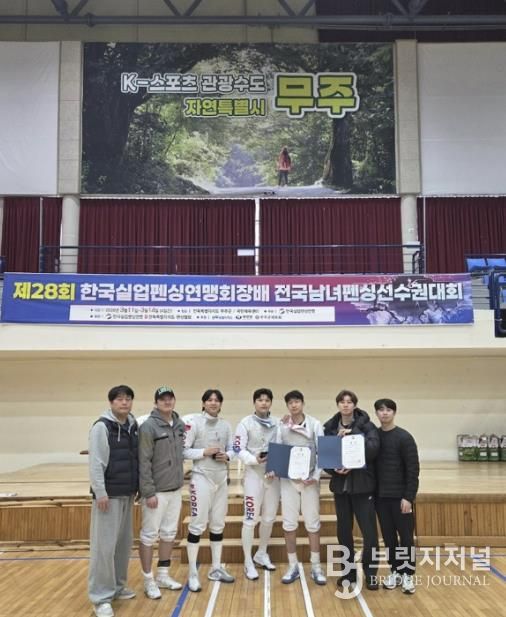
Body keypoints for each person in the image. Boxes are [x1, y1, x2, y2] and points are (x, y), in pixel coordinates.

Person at [88, 385, 139, 617]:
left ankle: (117, 587)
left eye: (128, 399)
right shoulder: (102, 427)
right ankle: (100, 597)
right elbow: (96, 463)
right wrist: (100, 492)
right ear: (111, 403)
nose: (124, 402)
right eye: (119, 399)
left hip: (127, 493)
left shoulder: (133, 426)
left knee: (122, 545)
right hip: (108, 496)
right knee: (104, 548)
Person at [323, 389, 380, 591]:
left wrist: (353, 435)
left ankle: (371, 574)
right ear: (338, 405)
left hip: (363, 488)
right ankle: (348, 573)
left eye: (349, 401)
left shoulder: (366, 425)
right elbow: (326, 457)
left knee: (369, 533)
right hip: (341, 489)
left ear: (355, 405)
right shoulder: (330, 427)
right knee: (344, 534)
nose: (346, 404)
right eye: (342, 401)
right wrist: (334, 469)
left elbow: (373, 450)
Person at [183, 389, 235, 592]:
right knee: (197, 525)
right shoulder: (194, 423)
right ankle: (192, 574)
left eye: (217, 400)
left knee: (218, 524)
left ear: (221, 404)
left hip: (220, 479)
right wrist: (204, 452)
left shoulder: (226, 425)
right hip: (201, 478)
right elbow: (184, 450)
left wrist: (227, 456)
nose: (213, 403)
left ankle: (216, 568)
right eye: (209, 400)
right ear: (203, 403)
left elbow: (233, 449)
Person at [138, 386, 185, 599]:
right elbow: (143, 461)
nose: (167, 402)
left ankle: (163, 575)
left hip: (175, 490)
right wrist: (148, 492)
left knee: (168, 534)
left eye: (170, 398)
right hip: (156, 492)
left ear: (174, 400)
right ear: (156, 402)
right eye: (162, 399)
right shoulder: (148, 427)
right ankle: (148, 580)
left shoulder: (179, 424)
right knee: (149, 536)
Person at [275, 390, 326, 585]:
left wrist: (315, 476)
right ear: (287, 406)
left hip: (309, 482)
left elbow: (321, 453)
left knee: (313, 524)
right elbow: (279, 451)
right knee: (289, 524)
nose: (294, 405)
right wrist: (276, 470)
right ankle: (293, 565)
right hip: (289, 482)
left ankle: (316, 566)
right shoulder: (282, 426)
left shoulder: (315, 424)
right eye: (290, 403)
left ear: (303, 403)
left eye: (297, 402)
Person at [234, 388, 280, 580]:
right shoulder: (245, 423)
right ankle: (248, 561)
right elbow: (238, 448)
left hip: (273, 477)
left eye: (267, 400)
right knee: (250, 519)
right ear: (254, 402)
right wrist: (254, 459)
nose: (263, 403)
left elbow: (282, 446)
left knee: (269, 518)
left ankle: (261, 553)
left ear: (271, 403)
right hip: (254, 475)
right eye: (260, 400)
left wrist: (276, 465)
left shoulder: (278, 423)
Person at [374, 398, 419, 595]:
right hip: (381, 498)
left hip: (401, 498)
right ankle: (395, 571)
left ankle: (408, 574)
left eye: (388, 410)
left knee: (406, 538)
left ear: (394, 412)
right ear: (376, 413)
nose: (384, 413)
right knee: (389, 538)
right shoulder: (374, 437)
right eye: (381, 410)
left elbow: (413, 470)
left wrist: (408, 497)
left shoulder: (404, 437)